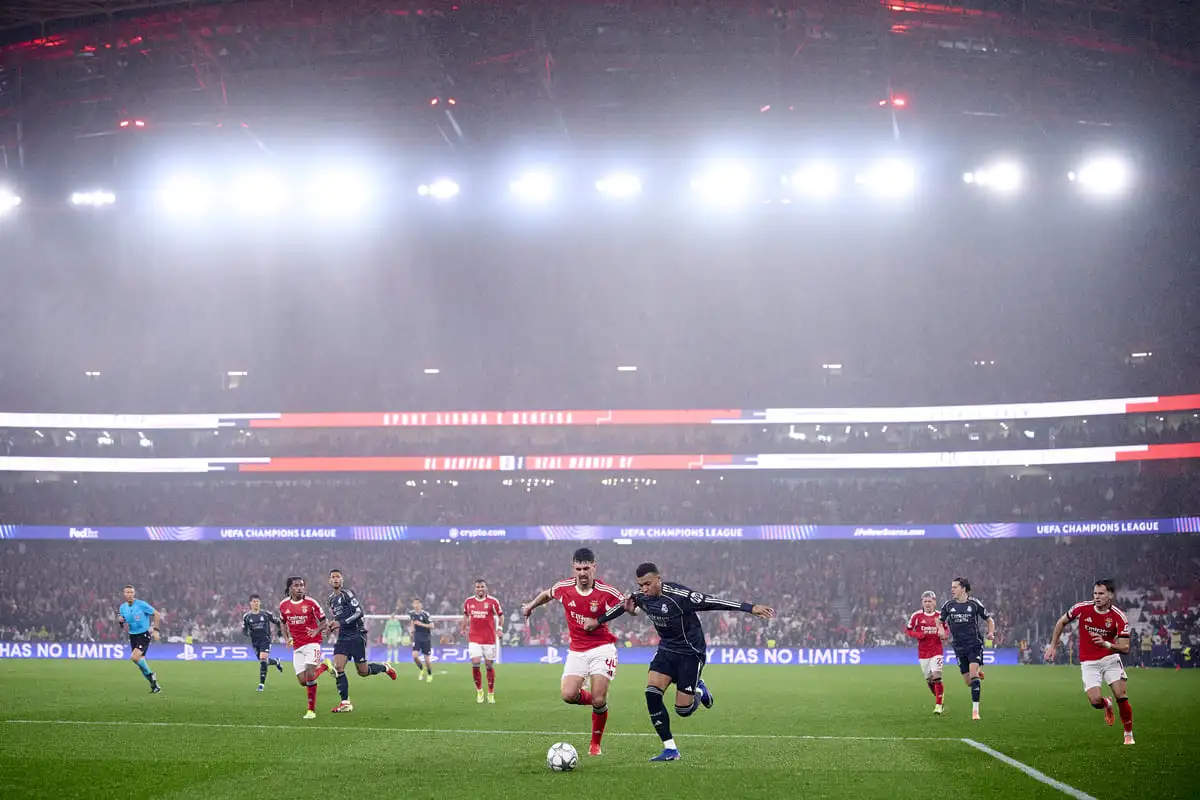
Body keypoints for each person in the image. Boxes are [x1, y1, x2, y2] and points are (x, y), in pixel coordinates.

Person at [586, 562, 774, 762]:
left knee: (683, 710)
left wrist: (750, 608)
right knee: (651, 694)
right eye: (640, 585)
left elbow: (713, 602)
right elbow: (622, 607)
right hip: (666, 649)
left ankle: (699, 690)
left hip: (691, 652)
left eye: (648, 584)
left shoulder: (680, 596)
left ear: (659, 579)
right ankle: (670, 749)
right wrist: (598, 621)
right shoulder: (641, 596)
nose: (644, 589)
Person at [522, 547, 625, 756]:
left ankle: (595, 744)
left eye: (586, 568)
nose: (582, 573)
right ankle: (599, 702)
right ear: (573, 568)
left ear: (594, 567)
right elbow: (547, 594)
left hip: (602, 648)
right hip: (577, 650)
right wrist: (531, 606)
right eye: (578, 569)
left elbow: (625, 605)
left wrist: (633, 609)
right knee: (568, 695)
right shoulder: (564, 588)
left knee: (598, 699)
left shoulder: (607, 592)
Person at [1045, 579, 1135, 745]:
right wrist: (1053, 647)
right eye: (1095, 593)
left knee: (1121, 696)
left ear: (1110, 595)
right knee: (1095, 701)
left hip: (1110, 659)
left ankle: (1128, 733)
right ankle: (1106, 703)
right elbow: (1061, 622)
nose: (1097, 597)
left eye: (1101, 593)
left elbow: (1125, 648)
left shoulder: (1118, 617)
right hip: (1089, 662)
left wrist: (1106, 644)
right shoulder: (1081, 608)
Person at [327, 569, 397, 713]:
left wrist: (342, 623)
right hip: (343, 638)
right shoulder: (331, 599)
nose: (335, 579)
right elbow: (338, 617)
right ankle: (345, 702)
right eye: (333, 577)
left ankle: (385, 667)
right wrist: (332, 624)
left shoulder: (348, 594)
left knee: (363, 672)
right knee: (338, 667)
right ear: (329, 581)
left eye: (338, 577)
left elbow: (359, 613)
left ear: (342, 580)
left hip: (356, 635)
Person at [939, 577, 994, 721]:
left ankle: (975, 711)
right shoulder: (948, 605)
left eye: (955, 587)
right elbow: (940, 621)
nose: (952, 589)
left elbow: (989, 620)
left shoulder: (974, 604)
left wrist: (991, 633)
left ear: (963, 588)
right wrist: (941, 630)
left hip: (974, 645)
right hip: (958, 647)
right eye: (952, 587)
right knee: (969, 682)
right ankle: (977, 673)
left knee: (974, 676)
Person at [278, 576, 331, 720]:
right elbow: (282, 622)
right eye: (296, 585)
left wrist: (316, 631)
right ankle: (324, 666)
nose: (300, 588)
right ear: (290, 588)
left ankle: (311, 711)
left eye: (302, 585)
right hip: (297, 645)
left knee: (309, 675)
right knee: (303, 681)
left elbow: (324, 621)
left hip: (313, 642)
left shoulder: (311, 603)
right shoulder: (283, 605)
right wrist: (286, 637)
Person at [462, 579, 503, 704]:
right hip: (474, 638)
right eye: (478, 587)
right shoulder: (468, 601)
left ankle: (490, 692)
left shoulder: (493, 601)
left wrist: (499, 629)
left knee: (489, 665)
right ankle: (479, 691)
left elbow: (501, 615)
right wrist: (463, 628)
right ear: (475, 589)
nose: (480, 589)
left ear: (486, 588)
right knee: (475, 663)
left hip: (489, 639)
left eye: (482, 587)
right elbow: (465, 615)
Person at [116, 584, 161, 693]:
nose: (130, 594)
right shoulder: (123, 607)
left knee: (135, 657)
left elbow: (157, 614)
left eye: (131, 592)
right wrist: (121, 622)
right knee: (140, 663)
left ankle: (151, 675)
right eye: (127, 592)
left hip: (143, 635)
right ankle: (154, 686)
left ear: (134, 593)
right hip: (133, 636)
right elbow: (123, 623)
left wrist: (155, 630)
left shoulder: (141, 605)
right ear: (124, 594)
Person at [905, 590, 945, 714]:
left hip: (937, 650)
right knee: (929, 679)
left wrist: (943, 633)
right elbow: (908, 630)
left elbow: (946, 632)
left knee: (937, 676)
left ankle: (938, 706)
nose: (927, 604)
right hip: (923, 652)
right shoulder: (916, 616)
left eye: (930, 601)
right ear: (922, 602)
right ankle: (940, 698)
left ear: (934, 602)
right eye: (925, 601)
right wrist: (918, 635)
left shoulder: (940, 616)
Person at [242, 593, 284, 691]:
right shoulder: (247, 616)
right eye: (254, 601)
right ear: (250, 603)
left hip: (265, 640)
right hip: (255, 642)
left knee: (263, 659)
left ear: (260, 603)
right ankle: (276, 662)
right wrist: (246, 633)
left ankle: (261, 684)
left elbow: (277, 621)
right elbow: (244, 628)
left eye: (257, 601)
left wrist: (279, 631)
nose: (256, 603)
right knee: (263, 661)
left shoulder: (265, 614)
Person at [410, 599, 434, 683]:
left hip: (426, 637)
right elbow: (412, 622)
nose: (416, 605)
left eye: (417, 603)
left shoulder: (425, 614)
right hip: (417, 637)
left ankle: (429, 674)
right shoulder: (412, 614)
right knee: (415, 656)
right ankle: (421, 669)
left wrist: (421, 624)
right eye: (414, 603)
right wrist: (412, 630)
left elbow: (432, 626)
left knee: (427, 659)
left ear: (420, 605)